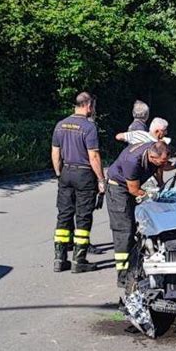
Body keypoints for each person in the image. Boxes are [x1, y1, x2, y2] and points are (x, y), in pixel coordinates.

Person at [51, 92, 105, 273]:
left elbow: (55, 153)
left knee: (64, 215)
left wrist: (60, 173)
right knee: (83, 217)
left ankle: (59, 259)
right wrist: (101, 179)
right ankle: (78, 260)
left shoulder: (60, 125)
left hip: (66, 172)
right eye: (93, 107)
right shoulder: (89, 127)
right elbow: (94, 156)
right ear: (88, 106)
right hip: (84, 176)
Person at [106, 140, 169, 287]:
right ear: (152, 157)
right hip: (118, 190)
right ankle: (123, 276)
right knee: (124, 231)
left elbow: (160, 167)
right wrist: (150, 196)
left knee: (136, 228)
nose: (163, 164)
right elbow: (134, 189)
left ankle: (134, 267)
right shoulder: (132, 160)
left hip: (131, 186)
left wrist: (161, 185)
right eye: (161, 162)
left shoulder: (156, 149)